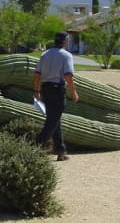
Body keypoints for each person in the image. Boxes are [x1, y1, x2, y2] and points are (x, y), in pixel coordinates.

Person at [33, 31, 79, 161]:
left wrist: (36, 90)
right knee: (52, 121)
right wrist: (74, 92)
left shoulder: (45, 54)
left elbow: (37, 74)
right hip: (57, 89)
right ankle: (34, 148)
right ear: (65, 41)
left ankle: (61, 150)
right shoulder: (66, 55)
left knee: (54, 119)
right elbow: (68, 75)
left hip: (45, 89)